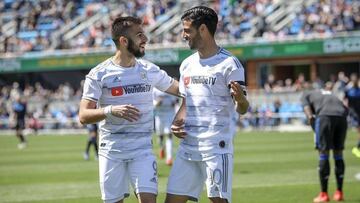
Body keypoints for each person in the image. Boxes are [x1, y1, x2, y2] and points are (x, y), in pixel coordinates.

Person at [78, 16, 179, 203]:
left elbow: (181, 90)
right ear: (124, 41)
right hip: (112, 151)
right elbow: (83, 116)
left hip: (142, 149)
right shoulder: (99, 74)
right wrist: (110, 110)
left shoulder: (149, 70)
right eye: (140, 35)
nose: (145, 40)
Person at [165, 6, 249, 203]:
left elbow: (243, 108)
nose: (184, 35)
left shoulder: (230, 63)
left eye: (187, 30)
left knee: (218, 201)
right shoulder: (186, 64)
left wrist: (241, 99)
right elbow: (186, 101)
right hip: (188, 146)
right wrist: (178, 120)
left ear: (202, 29)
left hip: (216, 146)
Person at [301, 82, 348, 202]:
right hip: (342, 117)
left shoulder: (305, 94)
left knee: (323, 154)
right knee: (338, 154)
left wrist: (316, 131)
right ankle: (339, 193)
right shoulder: (328, 93)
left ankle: (324, 194)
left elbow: (310, 116)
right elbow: (345, 108)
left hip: (325, 117)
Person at [153, 88, 178, 165]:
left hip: (169, 115)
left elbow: (176, 102)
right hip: (159, 116)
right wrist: (157, 103)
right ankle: (161, 147)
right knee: (160, 135)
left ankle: (169, 158)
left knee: (169, 135)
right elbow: (152, 104)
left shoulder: (171, 89)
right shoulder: (155, 90)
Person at [343, 73, 360, 158]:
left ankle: (357, 148)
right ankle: (356, 148)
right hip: (354, 115)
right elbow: (344, 100)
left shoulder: (358, 89)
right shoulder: (349, 90)